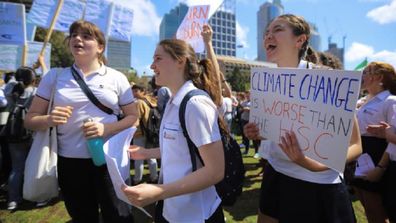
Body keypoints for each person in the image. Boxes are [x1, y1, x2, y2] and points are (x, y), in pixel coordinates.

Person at [243, 14, 362, 223]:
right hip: (276, 174)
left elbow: (355, 145)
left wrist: (311, 164)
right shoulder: (266, 82)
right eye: (266, 32)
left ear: (300, 40)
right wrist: (258, 133)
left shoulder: (327, 80)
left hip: (318, 187)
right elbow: (278, 130)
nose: (268, 36)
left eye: (277, 29)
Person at [25, 20, 137, 223]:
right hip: (70, 163)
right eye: (74, 35)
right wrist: (49, 119)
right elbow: (30, 120)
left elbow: (133, 117)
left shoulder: (117, 78)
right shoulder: (55, 76)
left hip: (109, 160)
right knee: (83, 217)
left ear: (100, 47)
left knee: (118, 216)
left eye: (86, 36)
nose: (77, 38)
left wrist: (106, 128)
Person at [122, 38, 225, 222]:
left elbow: (215, 171)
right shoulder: (172, 102)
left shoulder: (195, 105)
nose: (152, 66)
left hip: (196, 214)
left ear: (180, 61)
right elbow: (181, 148)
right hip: (172, 208)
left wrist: (159, 191)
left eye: (158, 58)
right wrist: (145, 153)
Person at [352, 61, 396, 223]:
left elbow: (392, 139)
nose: (362, 76)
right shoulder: (362, 101)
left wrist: (380, 167)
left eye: (366, 72)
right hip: (359, 154)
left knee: (376, 209)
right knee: (367, 207)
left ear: (379, 77)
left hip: (376, 156)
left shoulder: (390, 101)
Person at [5, 67, 37, 210]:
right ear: (33, 80)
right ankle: (33, 195)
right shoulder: (35, 93)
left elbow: (12, 81)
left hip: (13, 133)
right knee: (33, 166)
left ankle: (13, 200)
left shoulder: (10, 91)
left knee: (16, 168)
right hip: (30, 134)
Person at [131, 84, 158, 184]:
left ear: (142, 91)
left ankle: (137, 179)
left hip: (140, 133)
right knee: (151, 156)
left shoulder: (139, 103)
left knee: (138, 157)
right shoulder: (151, 100)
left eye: (136, 91)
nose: (133, 93)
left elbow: (136, 120)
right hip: (152, 132)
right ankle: (154, 177)